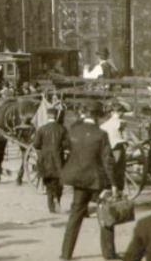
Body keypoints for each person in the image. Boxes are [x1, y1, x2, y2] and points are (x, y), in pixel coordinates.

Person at [59, 103, 117, 261]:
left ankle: (66, 254)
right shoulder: (101, 134)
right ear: (98, 116)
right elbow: (108, 161)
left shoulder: (73, 131)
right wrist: (113, 184)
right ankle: (109, 254)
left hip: (79, 180)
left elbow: (66, 149)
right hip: (97, 181)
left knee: (74, 218)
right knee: (106, 216)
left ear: (85, 114)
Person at [32, 105, 68, 213]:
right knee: (58, 182)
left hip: (45, 160)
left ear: (48, 116)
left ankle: (51, 206)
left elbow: (36, 145)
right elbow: (66, 144)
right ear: (56, 116)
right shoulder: (62, 129)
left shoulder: (42, 129)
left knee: (48, 183)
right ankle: (58, 199)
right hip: (58, 160)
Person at [101, 103, 127, 194]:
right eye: (120, 111)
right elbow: (124, 135)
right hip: (117, 146)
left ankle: (109, 187)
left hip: (107, 147)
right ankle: (117, 189)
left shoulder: (104, 125)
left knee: (110, 168)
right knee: (119, 169)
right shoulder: (121, 122)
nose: (121, 113)